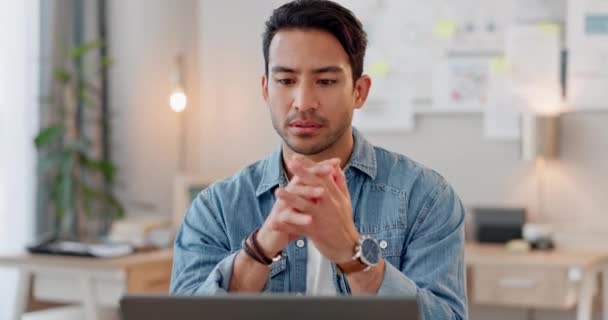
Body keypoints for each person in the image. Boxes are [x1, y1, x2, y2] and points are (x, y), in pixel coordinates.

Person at [170, 0, 467, 319]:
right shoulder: (215, 209)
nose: (304, 102)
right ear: (266, 89)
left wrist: (354, 256)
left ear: (359, 91)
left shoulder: (425, 198)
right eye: (285, 81)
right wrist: (259, 248)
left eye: (325, 81)